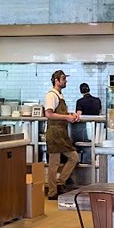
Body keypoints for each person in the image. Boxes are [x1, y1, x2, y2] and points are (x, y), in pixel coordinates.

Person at [43, 69, 81, 199]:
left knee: (73, 158)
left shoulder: (59, 95)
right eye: (63, 79)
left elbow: (59, 113)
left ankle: (60, 183)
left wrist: (71, 115)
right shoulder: (51, 95)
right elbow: (48, 114)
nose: (66, 81)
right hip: (54, 132)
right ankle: (52, 192)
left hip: (61, 132)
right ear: (56, 80)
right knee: (54, 163)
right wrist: (66, 117)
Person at [72, 83, 102, 163]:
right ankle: (95, 162)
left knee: (85, 146)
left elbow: (79, 115)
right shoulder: (97, 100)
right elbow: (99, 111)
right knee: (95, 145)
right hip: (96, 128)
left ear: (81, 91)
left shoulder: (80, 102)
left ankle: (85, 162)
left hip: (85, 129)